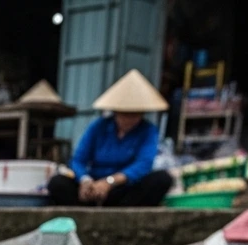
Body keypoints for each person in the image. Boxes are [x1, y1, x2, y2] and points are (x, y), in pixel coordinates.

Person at [47, 69, 173, 208]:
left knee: (162, 179)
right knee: (57, 183)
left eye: (135, 114)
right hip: (93, 185)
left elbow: (143, 164)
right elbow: (78, 160)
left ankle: (122, 216)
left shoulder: (148, 131)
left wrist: (110, 182)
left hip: (124, 189)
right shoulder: (98, 127)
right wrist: (85, 180)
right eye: (125, 114)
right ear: (115, 111)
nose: (129, 119)